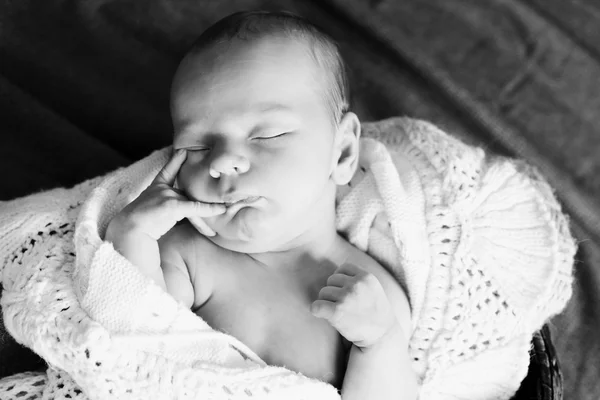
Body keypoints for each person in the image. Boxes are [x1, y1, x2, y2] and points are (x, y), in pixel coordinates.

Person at [105, 10, 416, 399]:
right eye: (197, 146)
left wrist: (379, 344)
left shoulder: (371, 294)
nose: (221, 161)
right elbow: (128, 343)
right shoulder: (187, 256)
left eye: (267, 135)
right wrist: (130, 233)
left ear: (342, 153)